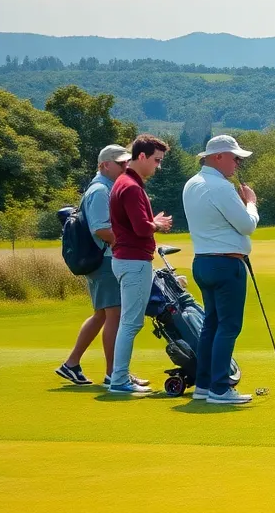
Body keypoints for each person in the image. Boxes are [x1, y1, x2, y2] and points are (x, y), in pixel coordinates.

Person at [182, 135, 260, 404]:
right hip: (226, 264)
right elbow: (247, 225)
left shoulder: (192, 184)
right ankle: (219, 388)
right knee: (228, 326)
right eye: (234, 158)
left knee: (211, 326)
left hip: (202, 261)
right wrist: (250, 202)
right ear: (218, 157)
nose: (237, 163)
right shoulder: (221, 187)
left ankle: (204, 385)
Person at [55, 145, 132, 386]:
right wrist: (131, 242)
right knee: (115, 315)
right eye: (121, 164)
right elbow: (101, 229)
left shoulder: (108, 188)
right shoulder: (100, 190)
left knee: (102, 315)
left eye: (126, 163)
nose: (125, 167)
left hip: (104, 259)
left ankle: (71, 364)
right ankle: (113, 373)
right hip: (106, 260)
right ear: (104, 165)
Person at [108, 134, 173, 395]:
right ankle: (119, 379)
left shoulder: (125, 183)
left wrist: (151, 221)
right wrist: (155, 224)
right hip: (133, 261)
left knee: (129, 321)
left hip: (127, 259)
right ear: (142, 156)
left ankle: (120, 376)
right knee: (131, 323)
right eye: (156, 160)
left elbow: (137, 222)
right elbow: (140, 228)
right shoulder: (132, 186)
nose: (158, 166)